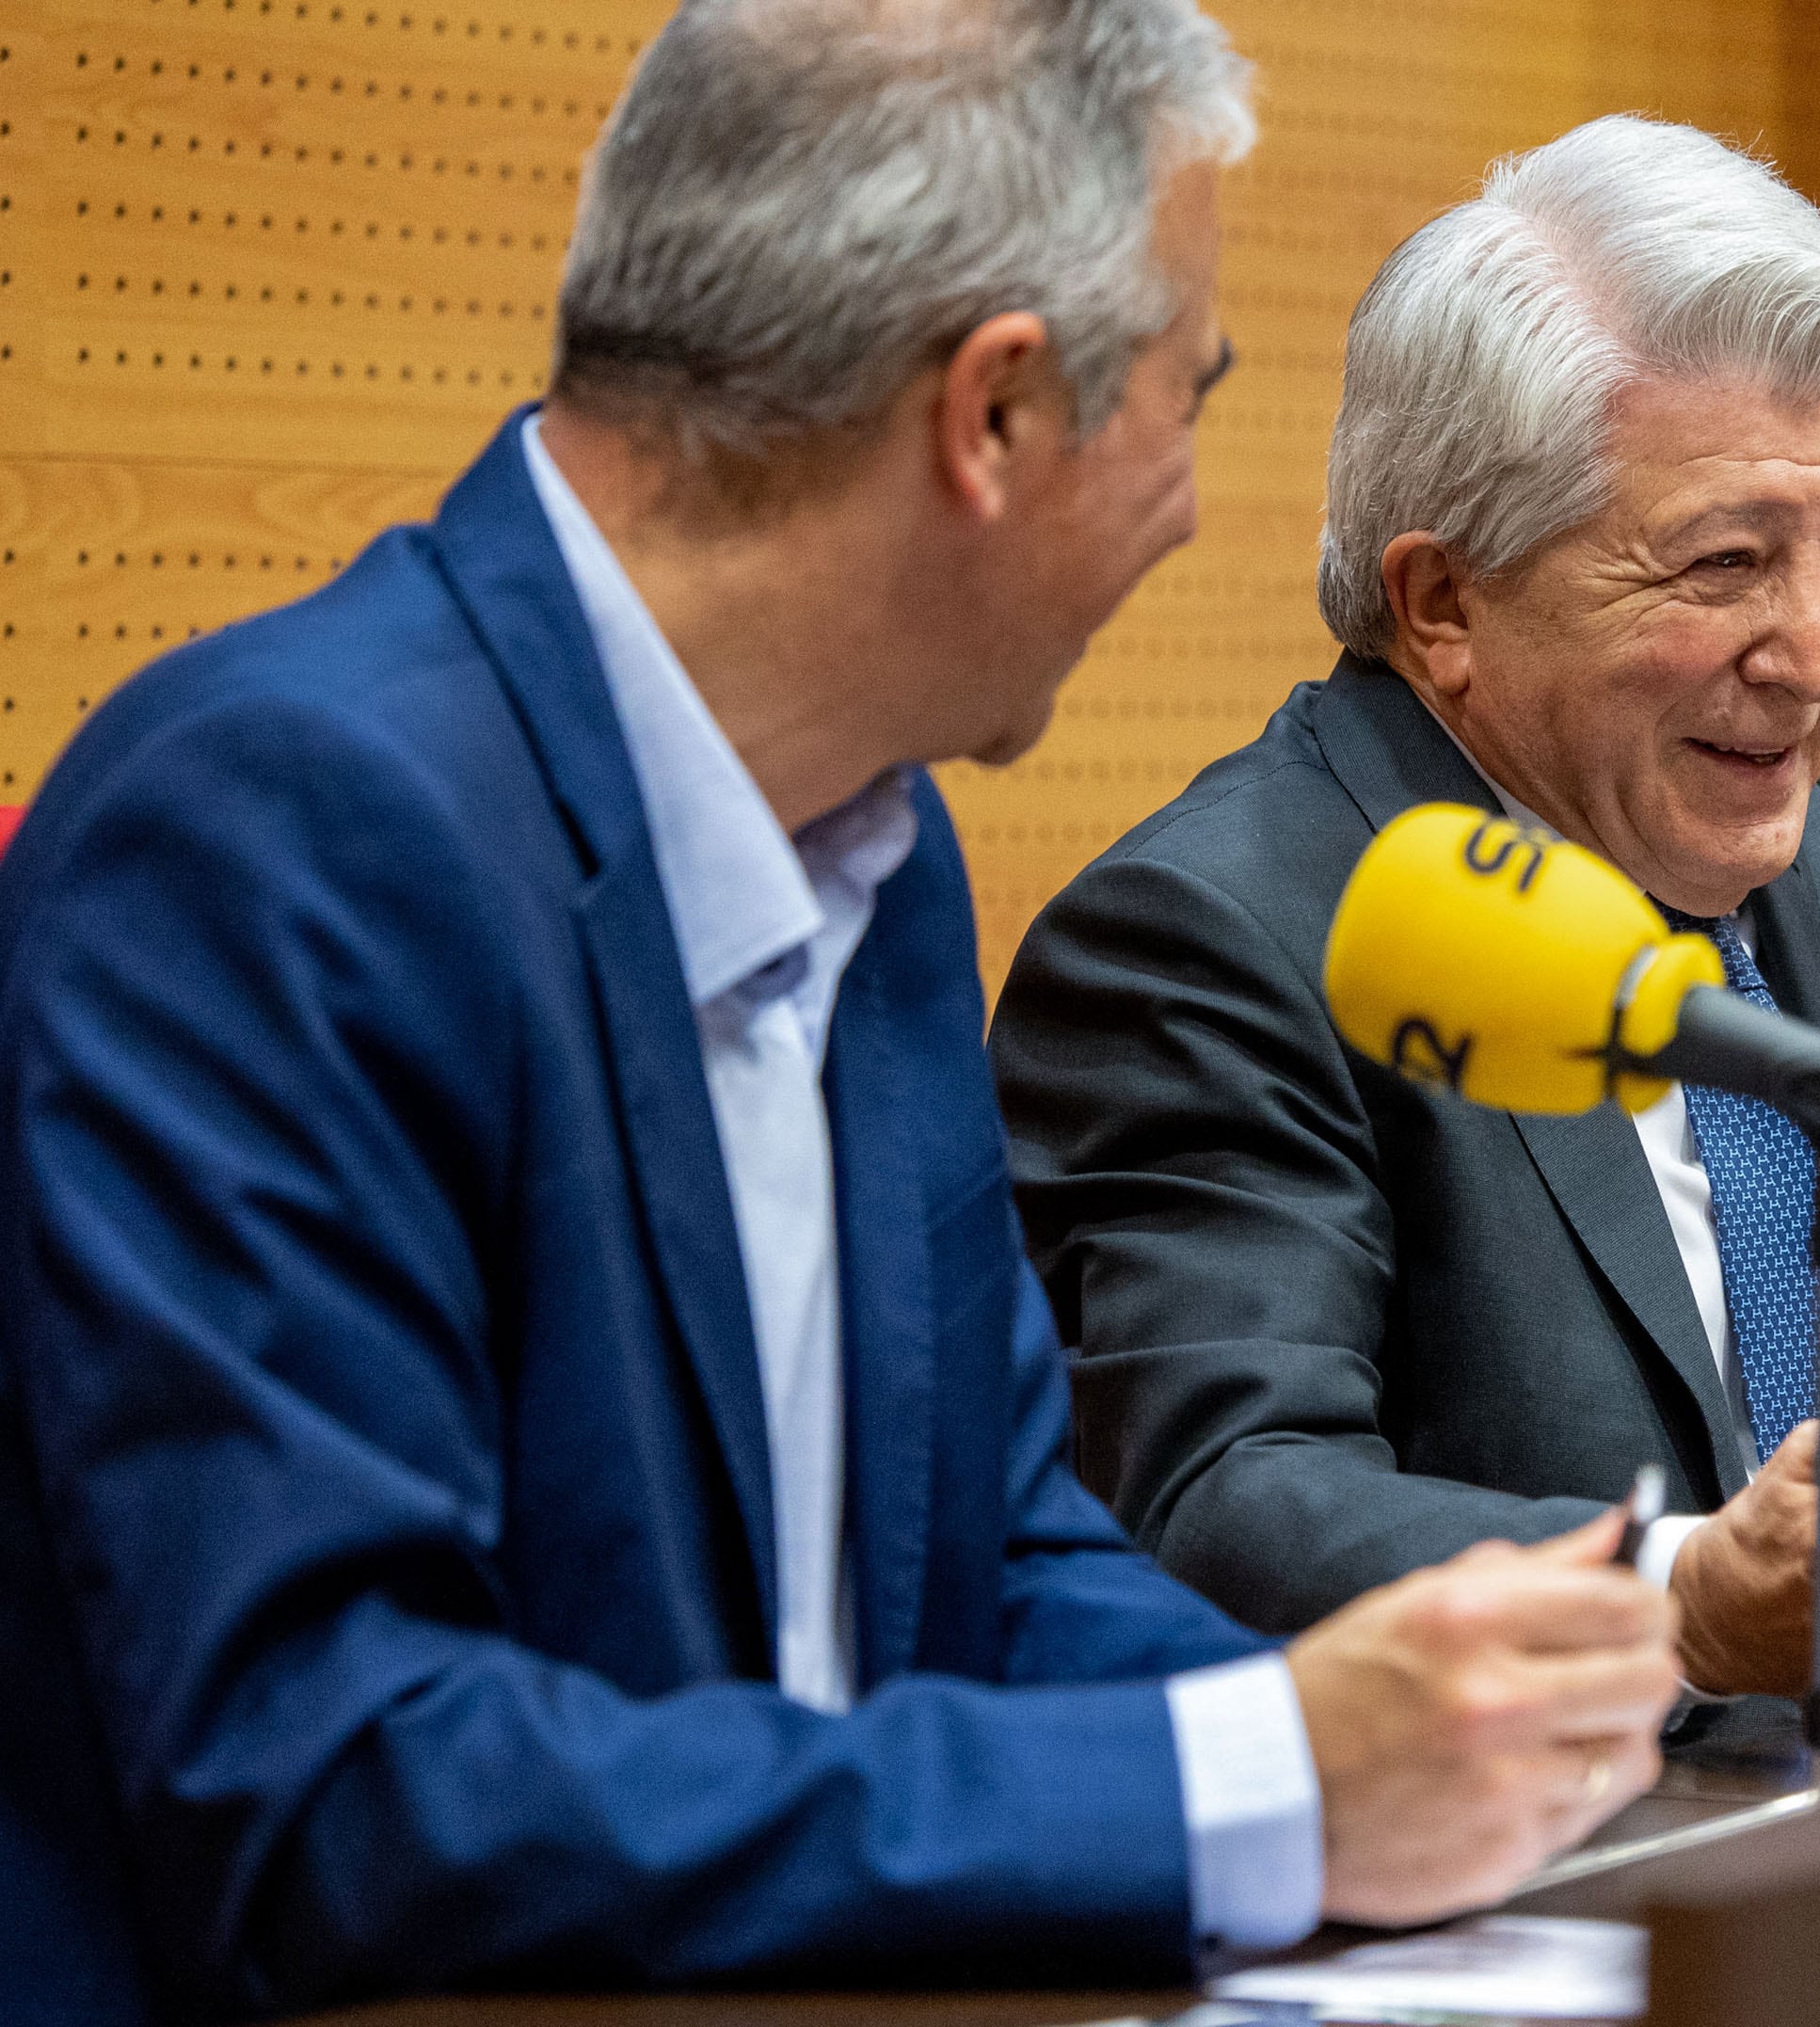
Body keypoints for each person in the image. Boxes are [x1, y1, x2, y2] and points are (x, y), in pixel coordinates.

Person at [0, 3, 1682, 2017]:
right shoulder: (279, 832)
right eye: (1182, 392)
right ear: (989, 415)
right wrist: (1257, 1780)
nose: (1189, 501)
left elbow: (985, 1560)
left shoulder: (866, 838)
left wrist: (1419, 1758)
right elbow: (341, 1786)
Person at [991, 116, 1820, 1706]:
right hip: (1537, 1879)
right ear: (1443, 600)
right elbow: (1217, 1503)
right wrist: (1678, 1602)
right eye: (1724, 562)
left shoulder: (1809, 857)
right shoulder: (1214, 940)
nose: (1813, 653)